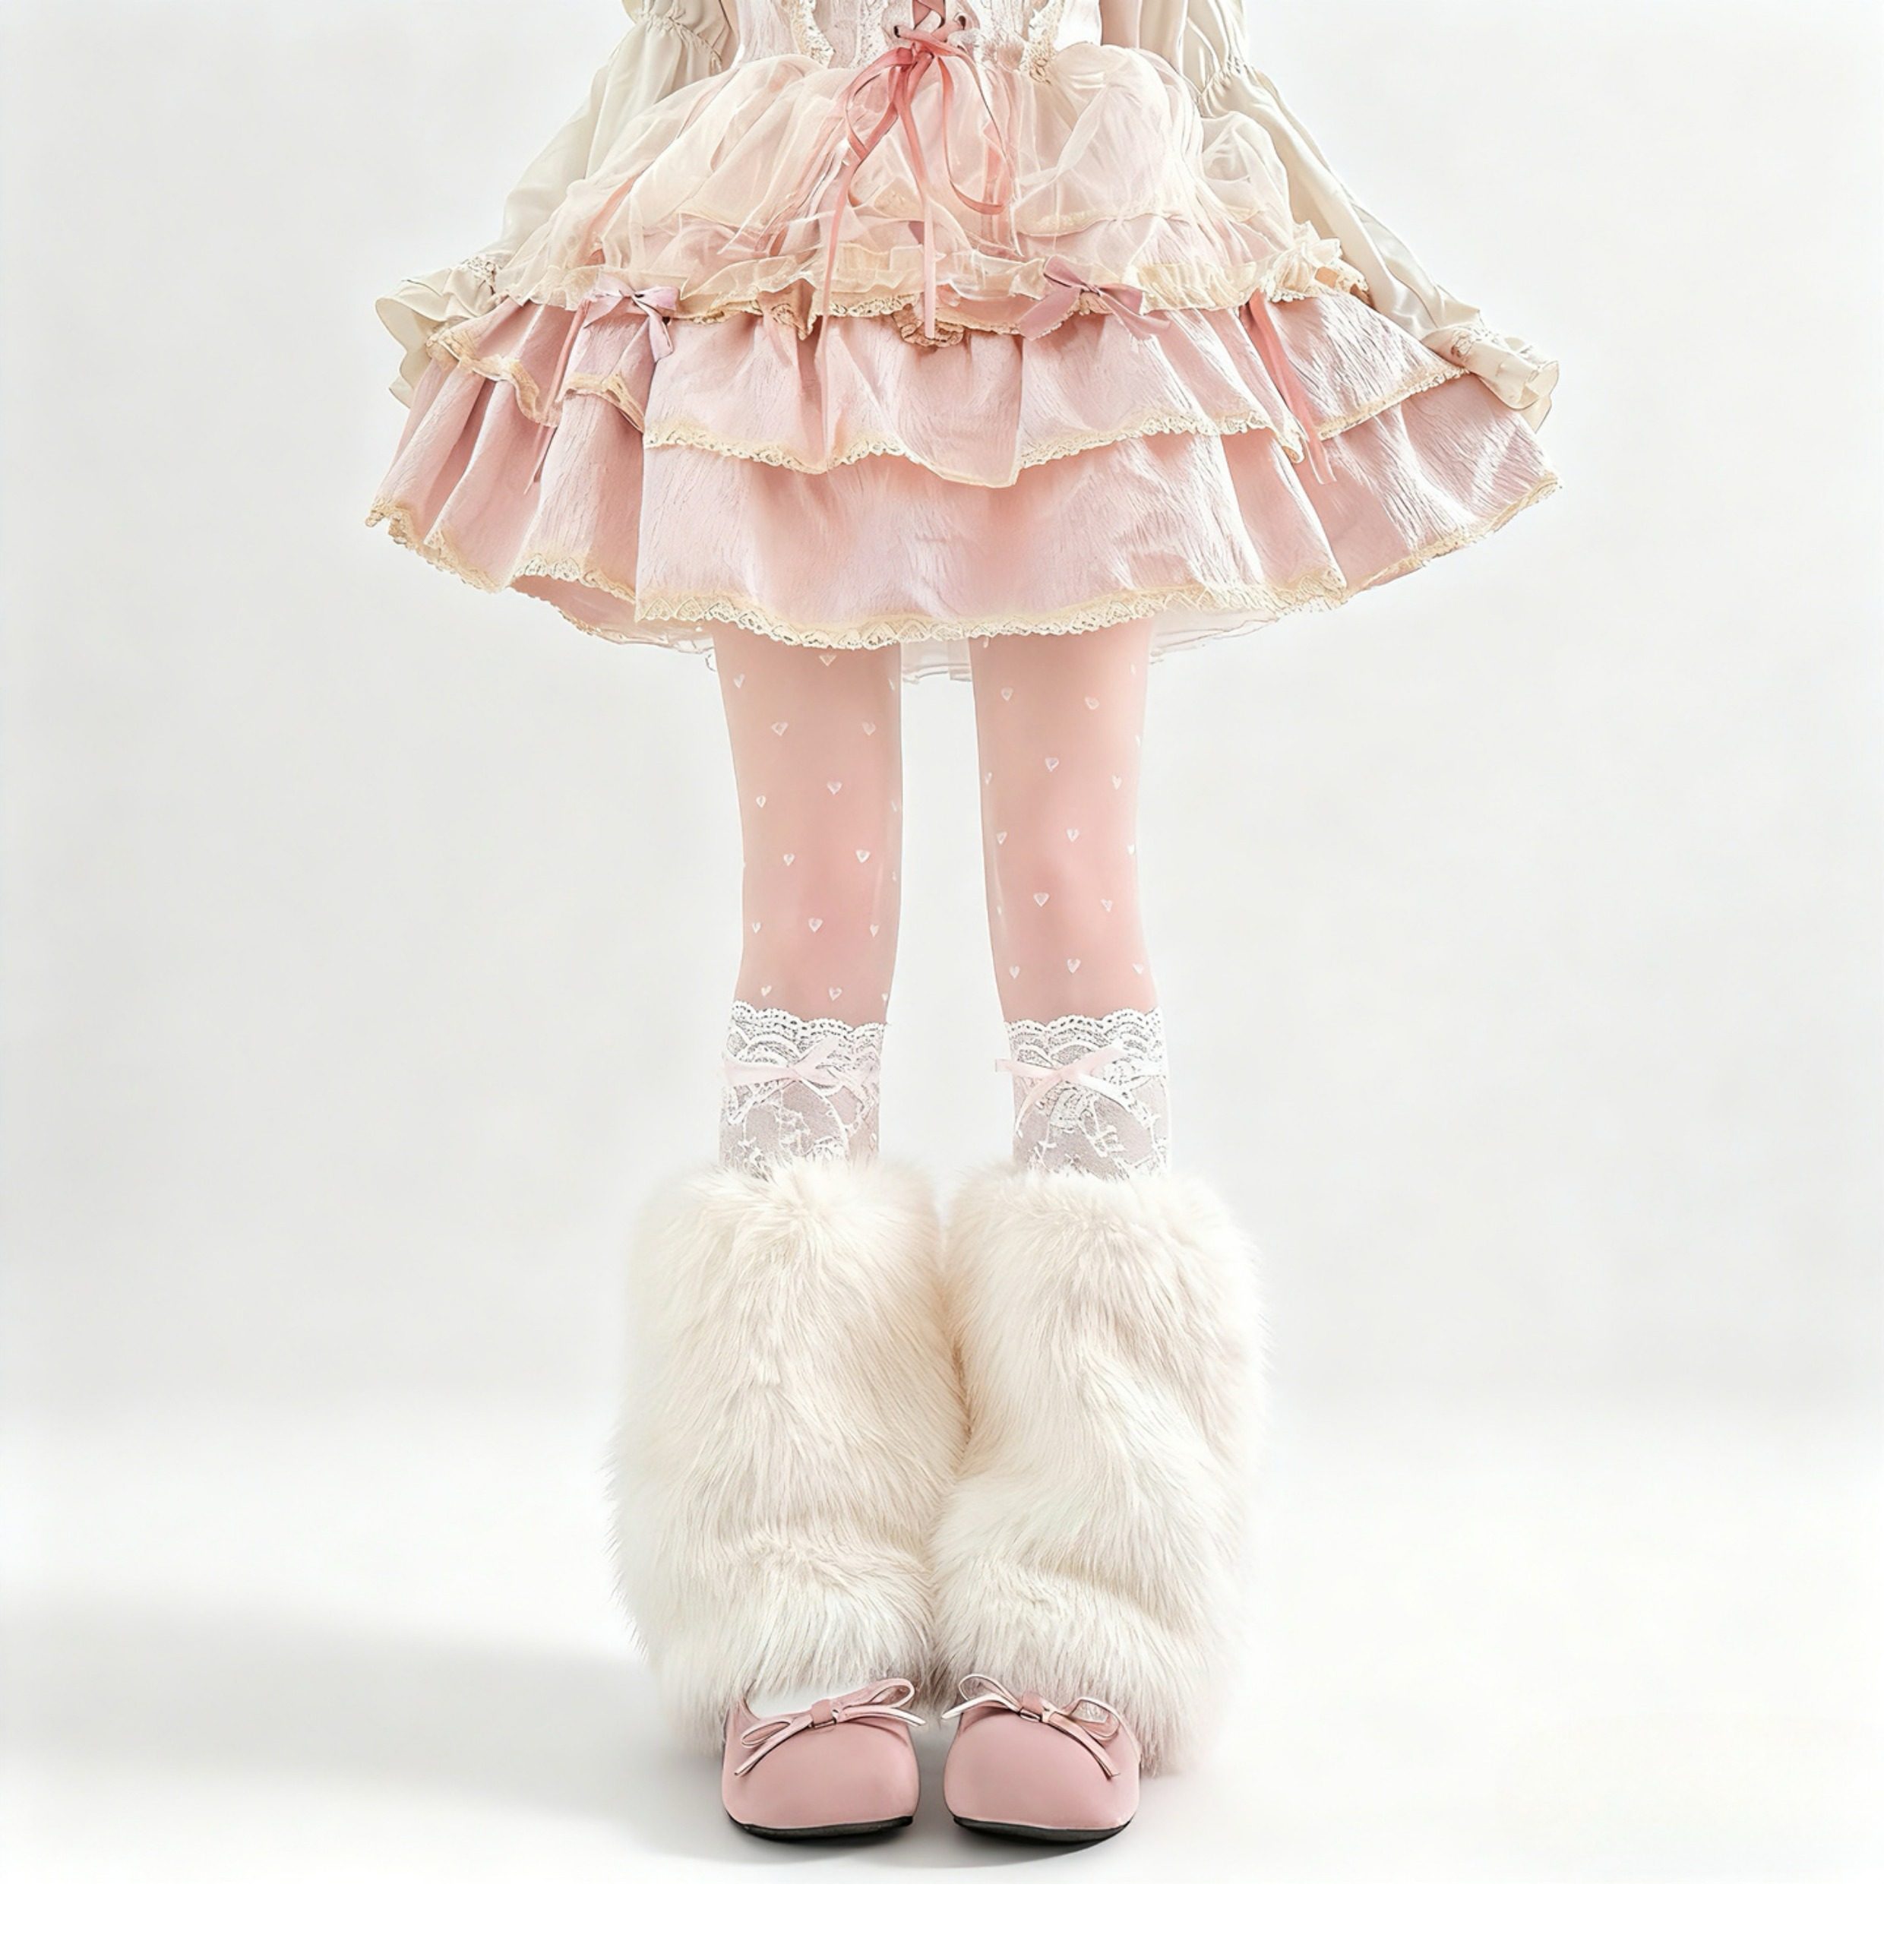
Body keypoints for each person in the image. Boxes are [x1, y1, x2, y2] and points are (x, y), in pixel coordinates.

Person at [369, 0, 1556, 1843]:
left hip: (1081, 279)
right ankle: (788, 1586)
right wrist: (551, 267)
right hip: (775, 288)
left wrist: (1350, 282)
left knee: (1069, 880)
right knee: (813, 904)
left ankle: (1095, 1597)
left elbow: (1189, 48)